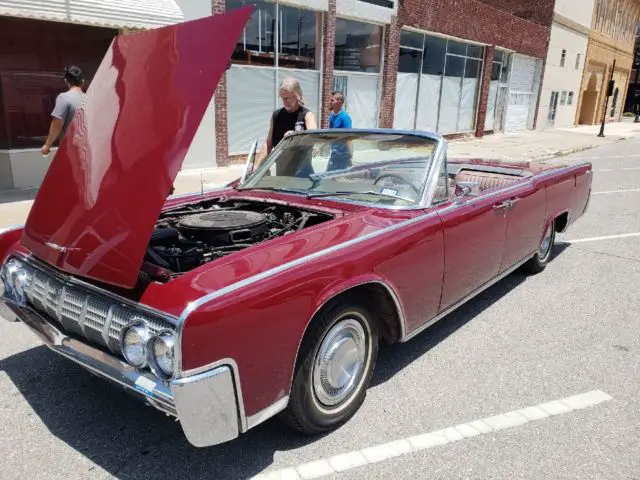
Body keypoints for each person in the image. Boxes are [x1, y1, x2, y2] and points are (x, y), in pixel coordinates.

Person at [255, 77, 317, 172]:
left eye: (287, 98)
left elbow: (313, 139)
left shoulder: (307, 115)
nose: (284, 102)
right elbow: (268, 143)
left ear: (297, 96)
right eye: (282, 98)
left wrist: (296, 136)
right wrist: (256, 166)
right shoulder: (276, 115)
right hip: (282, 175)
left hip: (302, 175)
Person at [41, 66, 87, 156]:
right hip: (86, 147)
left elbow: (57, 122)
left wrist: (47, 145)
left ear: (66, 81)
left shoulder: (64, 98)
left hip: (71, 149)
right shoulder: (88, 98)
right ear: (82, 81)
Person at [327, 91, 353, 171]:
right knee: (328, 178)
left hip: (343, 156)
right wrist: (320, 147)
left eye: (332, 100)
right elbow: (329, 134)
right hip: (334, 154)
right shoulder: (331, 115)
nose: (329, 102)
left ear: (339, 102)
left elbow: (349, 137)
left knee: (340, 179)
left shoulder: (344, 117)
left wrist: (350, 157)